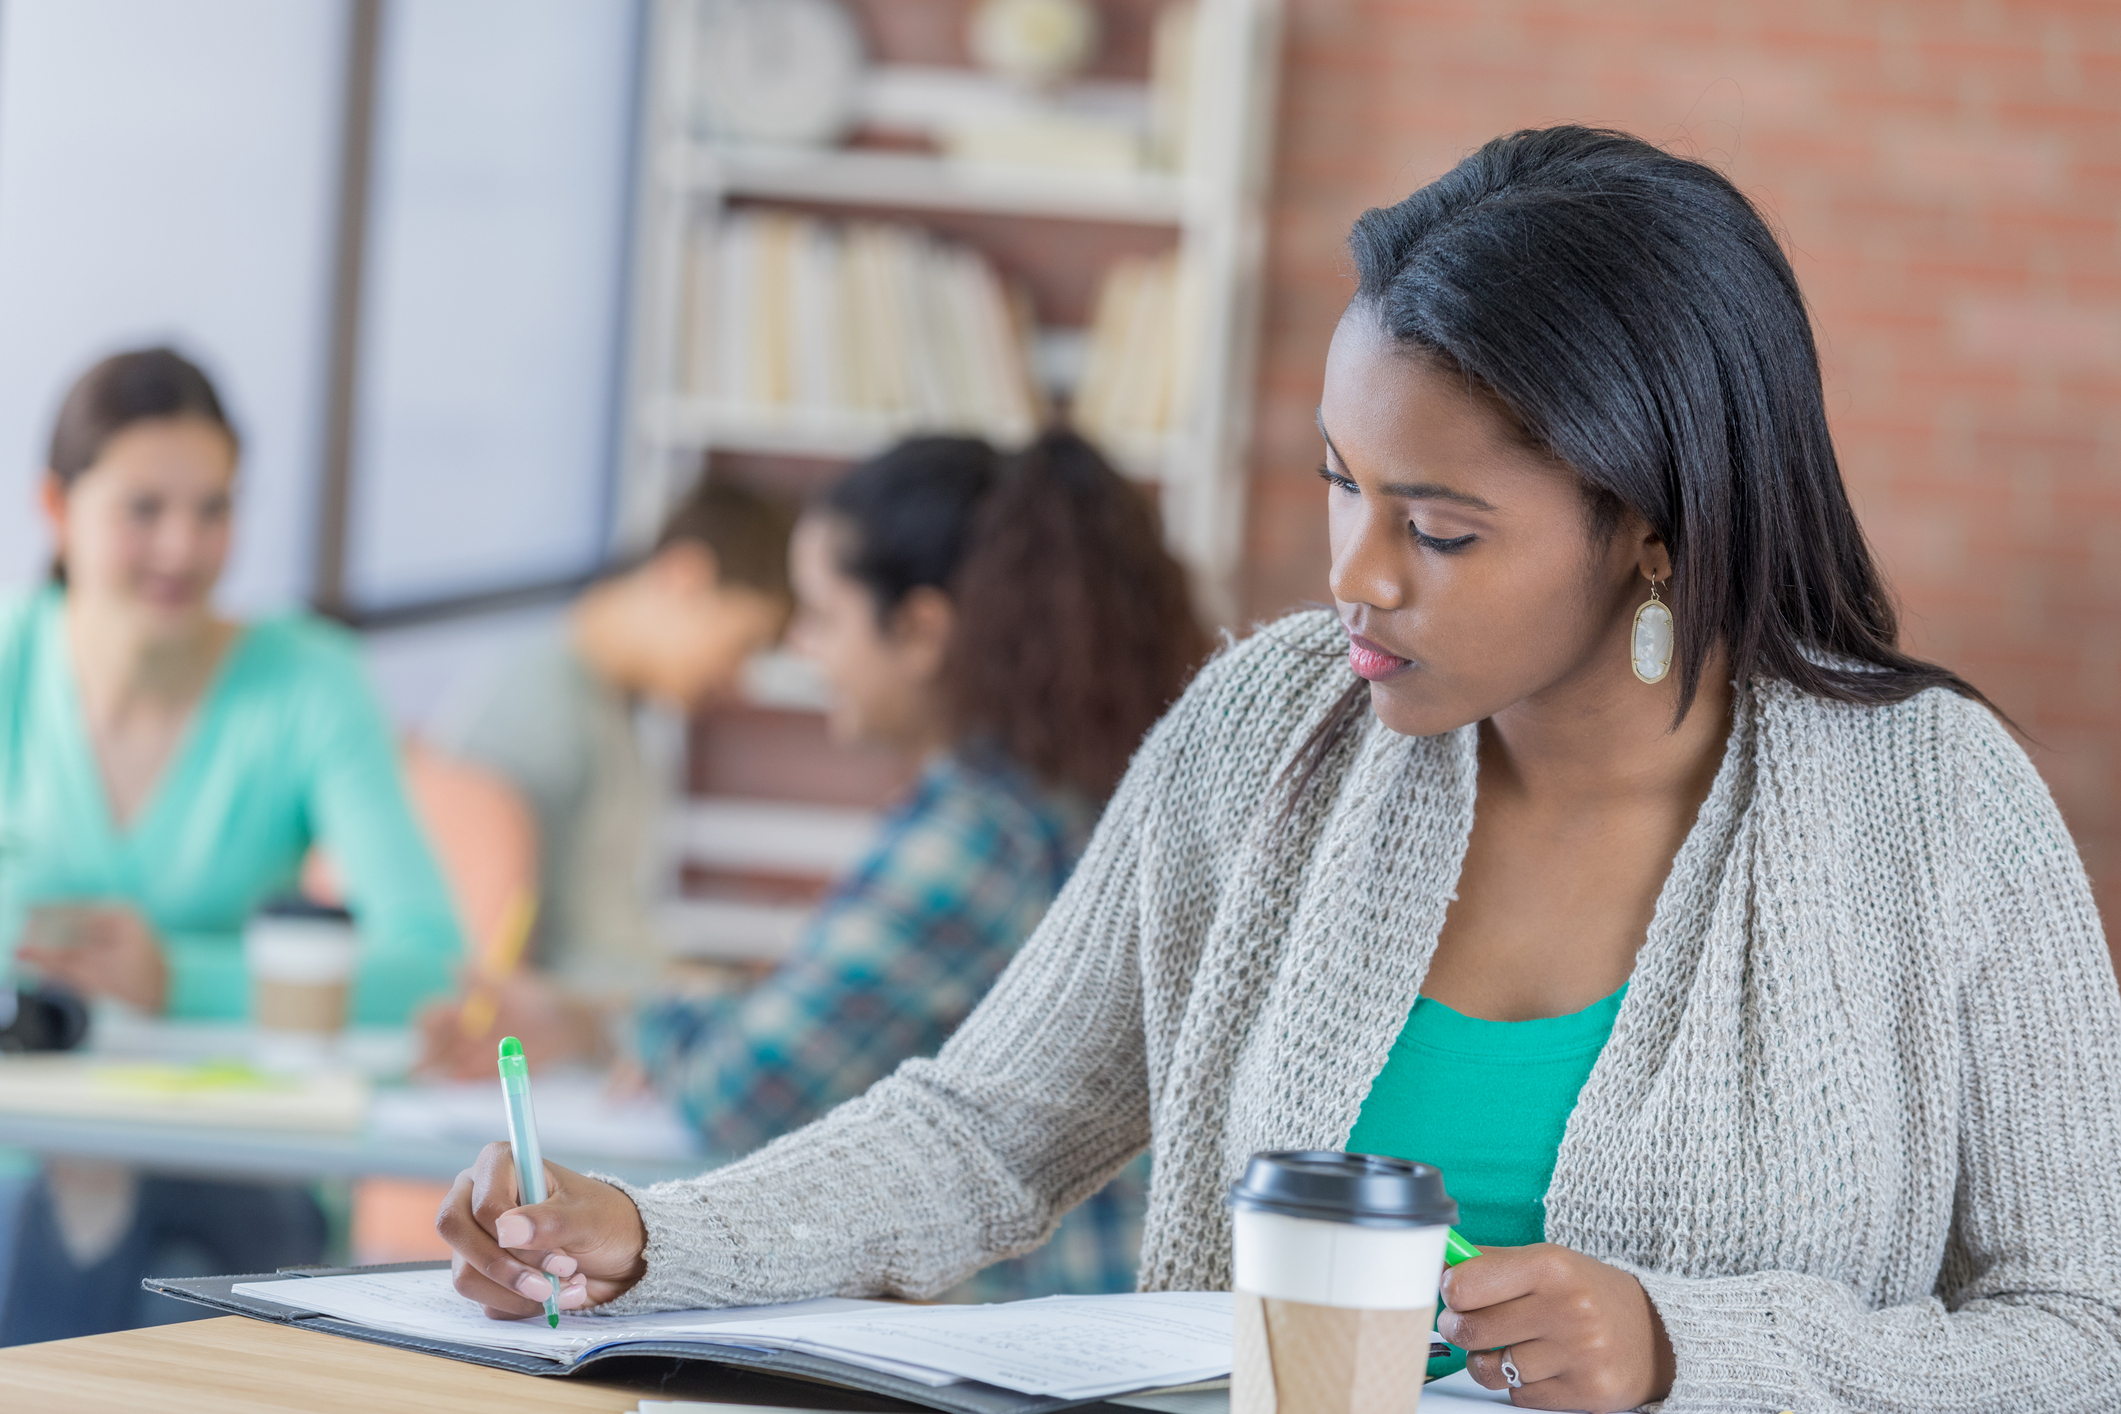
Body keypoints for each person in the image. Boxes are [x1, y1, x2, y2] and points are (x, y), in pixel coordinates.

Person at [437, 128, 2121, 1412]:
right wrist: (652, 1236)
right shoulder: (1270, 728)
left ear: (1653, 537)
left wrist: (1696, 1344)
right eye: (1342, 485)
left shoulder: (1937, 805)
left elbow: (2084, 1333)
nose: (1357, 575)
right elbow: (986, 1129)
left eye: (1440, 527)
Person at [428, 432, 1207, 1299]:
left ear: (917, 631)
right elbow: (805, 1022)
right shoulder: (1059, 791)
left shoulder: (978, 831)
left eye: (821, 618)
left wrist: (627, 1028)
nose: (798, 650)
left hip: (1025, 1331)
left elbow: (750, 1082)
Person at [0, 347, 463, 1342]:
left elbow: (430, 967)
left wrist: (181, 979)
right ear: (54, 504)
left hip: (237, 1159)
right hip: (22, 1151)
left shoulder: (309, 683)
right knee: (66, 1204)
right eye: (145, 508)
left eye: (214, 509)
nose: (185, 547)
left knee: (137, 1236)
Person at [422, 474, 796, 988]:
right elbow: (519, 953)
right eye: (743, 644)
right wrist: (702, 992)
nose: (737, 679)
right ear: (686, 577)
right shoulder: (542, 705)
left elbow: (600, 933)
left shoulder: (613, 709)